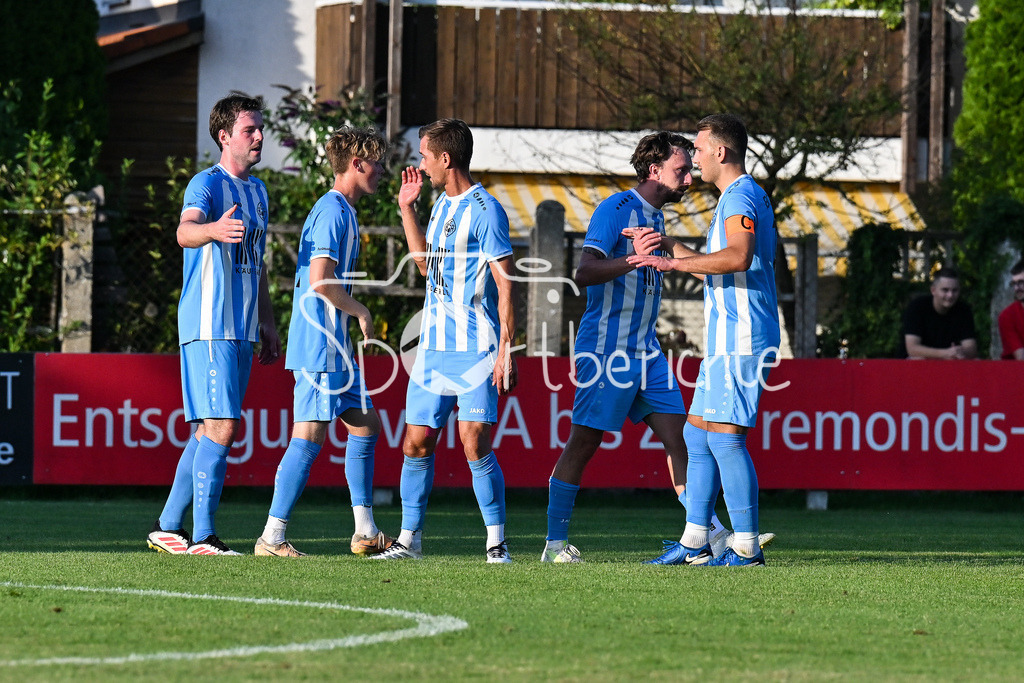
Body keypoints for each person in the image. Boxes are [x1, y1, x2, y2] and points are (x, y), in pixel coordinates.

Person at [540, 132, 726, 564]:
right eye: (683, 170)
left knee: (683, 439)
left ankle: (707, 537)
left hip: (645, 352)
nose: (690, 179)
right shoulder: (615, 209)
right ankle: (553, 546)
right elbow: (583, 272)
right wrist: (632, 259)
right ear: (654, 169)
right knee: (583, 442)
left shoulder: (656, 219)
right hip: (606, 350)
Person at [629, 113, 780, 566]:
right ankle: (696, 541)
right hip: (726, 338)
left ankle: (747, 548)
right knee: (697, 436)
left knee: (726, 439)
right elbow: (722, 257)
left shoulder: (741, 197)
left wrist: (671, 266)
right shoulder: (734, 198)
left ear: (721, 151)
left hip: (743, 335)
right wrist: (666, 245)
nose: (692, 159)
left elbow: (737, 256)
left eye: (697, 149)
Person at [371, 118, 518, 563]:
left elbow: (507, 282)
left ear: (446, 159)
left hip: (476, 348)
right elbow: (423, 267)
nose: (422, 163)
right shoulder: (438, 207)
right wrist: (407, 209)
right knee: (415, 443)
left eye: (425, 155)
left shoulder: (486, 209)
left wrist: (507, 349)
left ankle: (497, 542)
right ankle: (409, 540)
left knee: (474, 441)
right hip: (432, 349)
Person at [147, 93, 281, 556]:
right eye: (250, 129)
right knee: (222, 427)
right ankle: (203, 536)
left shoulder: (259, 192)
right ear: (224, 136)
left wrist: (267, 320)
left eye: (260, 128)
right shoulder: (205, 184)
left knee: (208, 431)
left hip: (241, 328)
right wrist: (212, 231)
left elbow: (256, 261)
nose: (260, 135)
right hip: (208, 326)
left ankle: (168, 526)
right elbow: (185, 232)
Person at [253, 127, 394, 558]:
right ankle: (271, 537)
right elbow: (319, 282)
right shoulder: (332, 211)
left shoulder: (344, 210)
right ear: (357, 165)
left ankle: (365, 531)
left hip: (335, 343)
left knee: (365, 425)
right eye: (377, 162)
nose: (382, 170)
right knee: (309, 435)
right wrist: (361, 311)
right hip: (319, 342)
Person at [901, 267, 978, 360]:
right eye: (945, 290)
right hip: (918, 364)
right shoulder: (917, 307)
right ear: (933, 290)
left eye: (955, 290)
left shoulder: (963, 310)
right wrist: (945, 353)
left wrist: (959, 352)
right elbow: (912, 349)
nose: (950, 295)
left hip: (951, 362)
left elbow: (971, 348)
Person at [997, 260, 1024, 360]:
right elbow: (1021, 358)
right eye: (1014, 283)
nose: (1017, 288)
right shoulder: (1007, 316)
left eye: (1021, 282)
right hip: (1017, 373)